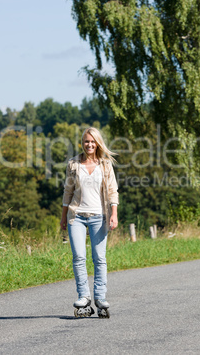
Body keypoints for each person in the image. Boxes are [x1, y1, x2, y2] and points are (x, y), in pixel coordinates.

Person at [60, 127, 119, 318]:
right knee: (79, 257)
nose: (90, 144)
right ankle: (84, 297)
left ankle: (100, 298)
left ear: (98, 143)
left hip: (99, 216)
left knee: (99, 258)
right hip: (76, 216)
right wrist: (63, 216)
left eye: (93, 141)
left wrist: (113, 214)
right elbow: (67, 192)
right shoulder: (73, 164)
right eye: (86, 141)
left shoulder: (105, 164)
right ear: (82, 142)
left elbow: (112, 191)